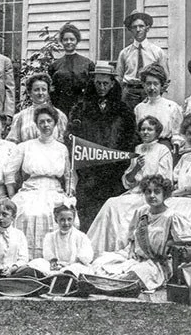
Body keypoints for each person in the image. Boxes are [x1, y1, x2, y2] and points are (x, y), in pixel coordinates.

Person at [91, 175, 191, 291]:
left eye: (157, 192)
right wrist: (132, 249)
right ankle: (109, 285)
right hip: (137, 258)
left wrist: (169, 244)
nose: (152, 196)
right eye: (148, 192)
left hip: (157, 264)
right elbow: (133, 234)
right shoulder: (141, 212)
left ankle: (110, 286)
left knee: (137, 274)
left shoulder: (171, 216)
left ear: (165, 194)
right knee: (101, 261)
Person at [87, 116, 173, 257]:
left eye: (149, 129)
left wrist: (148, 187)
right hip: (135, 192)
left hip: (151, 194)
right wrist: (136, 168)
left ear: (157, 132)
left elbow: (165, 179)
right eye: (143, 129)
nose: (145, 132)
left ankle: (121, 249)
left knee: (120, 210)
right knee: (111, 204)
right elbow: (128, 181)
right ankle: (98, 250)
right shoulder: (138, 149)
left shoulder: (162, 150)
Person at [68, 63, 136, 231]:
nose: (101, 87)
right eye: (98, 83)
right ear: (93, 82)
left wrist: (120, 162)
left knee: (112, 212)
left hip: (114, 171)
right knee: (88, 210)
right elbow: (73, 137)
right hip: (90, 169)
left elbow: (130, 139)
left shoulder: (123, 109)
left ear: (112, 83)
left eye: (106, 83)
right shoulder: (81, 108)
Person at [5, 105, 75, 259]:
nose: (45, 125)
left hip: (53, 189)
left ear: (55, 123)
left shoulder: (62, 148)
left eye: (49, 121)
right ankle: (25, 258)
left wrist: (70, 192)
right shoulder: (26, 146)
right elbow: (9, 172)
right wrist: (12, 195)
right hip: (31, 189)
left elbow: (69, 175)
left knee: (53, 213)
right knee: (27, 213)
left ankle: (54, 258)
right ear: (36, 124)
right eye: (41, 122)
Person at [115, 10, 168, 110]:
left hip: (150, 91)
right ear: (130, 29)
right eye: (134, 27)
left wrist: (156, 94)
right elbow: (118, 78)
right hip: (129, 93)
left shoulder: (157, 52)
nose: (138, 30)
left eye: (141, 26)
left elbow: (165, 78)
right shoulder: (124, 53)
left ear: (147, 28)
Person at [28, 202, 93, 277]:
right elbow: (48, 254)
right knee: (37, 263)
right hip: (57, 266)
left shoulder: (81, 236)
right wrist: (53, 262)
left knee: (75, 269)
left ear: (73, 219)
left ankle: (64, 278)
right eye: (62, 220)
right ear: (56, 220)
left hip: (74, 265)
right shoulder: (50, 236)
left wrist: (73, 263)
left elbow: (86, 255)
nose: (66, 223)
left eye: (69, 219)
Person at [134, 63, 183, 153]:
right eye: (148, 84)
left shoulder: (172, 106)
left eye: (155, 84)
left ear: (161, 85)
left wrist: (176, 146)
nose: (152, 88)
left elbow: (177, 133)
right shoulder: (139, 108)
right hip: (145, 148)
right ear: (143, 85)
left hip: (165, 149)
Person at [6, 72, 68, 144]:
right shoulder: (20, 116)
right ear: (29, 92)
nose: (40, 93)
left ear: (48, 92)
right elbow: (12, 142)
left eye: (44, 89)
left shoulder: (59, 115)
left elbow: (64, 141)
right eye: (36, 90)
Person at [48, 23, 95, 116]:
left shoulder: (87, 63)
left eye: (72, 39)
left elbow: (92, 90)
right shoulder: (55, 65)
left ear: (77, 40)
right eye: (65, 39)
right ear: (61, 41)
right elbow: (51, 91)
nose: (69, 42)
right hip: (61, 107)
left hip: (82, 108)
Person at [0, 198, 29, 278]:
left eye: (4, 214)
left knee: (28, 271)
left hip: (14, 271)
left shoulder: (19, 234)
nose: (0, 218)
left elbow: (23, 258)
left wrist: (11, 269)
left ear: (13, 217)